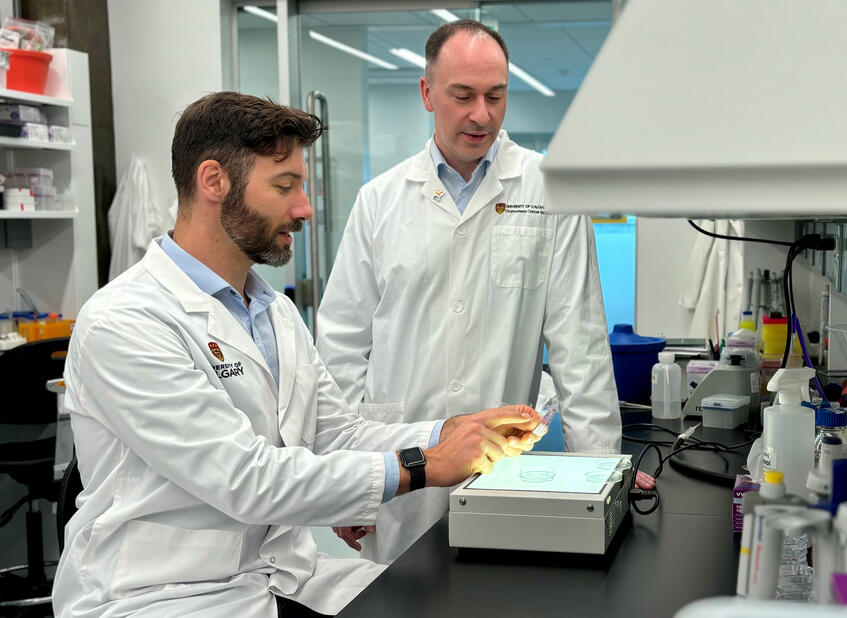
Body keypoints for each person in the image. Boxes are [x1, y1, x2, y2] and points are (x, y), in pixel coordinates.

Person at [52, 92, 539, 618]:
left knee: (456, 603)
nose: (305, 208)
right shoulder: (125, 321)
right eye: (285, 186)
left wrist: (449, 434)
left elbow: (337, 435)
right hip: (161, 595)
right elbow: (247, 479)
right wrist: (424, 466)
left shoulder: (272, 312)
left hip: (280, 574)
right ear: (213, 181)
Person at [317, 19, 651, 565]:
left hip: (502, 471)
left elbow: (580, 344)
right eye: (463, 96)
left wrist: (602, 477)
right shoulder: (379, 201)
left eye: (496, 96)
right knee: (403, 600)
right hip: (399, 463)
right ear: (427, 93)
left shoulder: (547, 190)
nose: (482, 114)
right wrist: (347, 480)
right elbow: (339, 350)